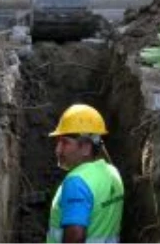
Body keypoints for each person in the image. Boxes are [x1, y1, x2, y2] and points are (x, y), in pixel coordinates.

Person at [47, 104, 124, 244]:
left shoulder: (76, 182)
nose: (58, 150)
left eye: (65, 143)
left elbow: (75, 237)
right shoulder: (113, 173)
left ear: (86, 147)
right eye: (57, 143)